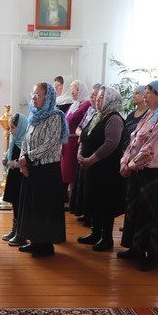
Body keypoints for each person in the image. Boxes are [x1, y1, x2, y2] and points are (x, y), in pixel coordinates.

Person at [118, 81, 158, 271]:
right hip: (136, 169)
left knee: (150, 213)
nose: (145, 95)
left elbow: (152, 147)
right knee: (134, 209)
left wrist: (131, 165)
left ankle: (152, 256)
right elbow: (134, 140)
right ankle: (136, 248)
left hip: (151, 171)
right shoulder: (149, 114)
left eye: (150, 92)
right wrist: (124, 161)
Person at [17, 82, 68, 257]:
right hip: (32, 168)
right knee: (33, 207)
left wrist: (27, 158)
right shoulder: (33, 116)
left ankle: (45, 245)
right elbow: (25, 140)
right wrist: (23, 161)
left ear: (48, 98)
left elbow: (50, 144)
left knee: (44, 208)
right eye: (33, 94)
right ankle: (35, 241)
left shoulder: (55, 117)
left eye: (38, 95)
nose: (34, 98)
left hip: (47, 171)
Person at [76, 86, 126, 252]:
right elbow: (84, 136)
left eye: (102, 97)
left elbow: (110, 144)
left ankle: (106, 238)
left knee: (105, 202)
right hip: (91, 168)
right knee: (93, 199)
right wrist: (79, 153)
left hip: (106, 169)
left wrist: (91, 159)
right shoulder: (97, 116)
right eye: (97, 96)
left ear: (110, 99)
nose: (98, 99)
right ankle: (95, 233)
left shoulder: (114, 118)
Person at [70, 83, 102, 219]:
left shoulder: (103, 114)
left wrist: (84, 135)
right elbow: (80, 127)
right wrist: (83, 135)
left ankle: (91, 216)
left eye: (95, 95)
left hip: (94, 152)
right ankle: (83, 211)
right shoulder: (90, 110)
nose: (92, 97)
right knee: (82, 182)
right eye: (92, 94)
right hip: (84, 146)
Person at [61, 80, 92, 207]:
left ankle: (74, 201)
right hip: (67, 141)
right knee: (67, 172)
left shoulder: (87, 104)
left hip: (75, 142)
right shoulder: (74, 105)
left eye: (74, 90)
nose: (72, 92)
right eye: (71, 90)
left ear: (81, 90)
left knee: (72, 171)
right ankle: (69, 199)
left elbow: (86, 123)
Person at [1, 112, 28, 245]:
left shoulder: (25, 142)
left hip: (21, 177)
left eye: (12, 127)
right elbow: (10, 155)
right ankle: (15, 229)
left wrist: (15, 163)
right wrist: (6, 160)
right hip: (14, 176)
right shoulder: (14, 140)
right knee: (15, 203)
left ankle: (21, 232)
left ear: (21, 126)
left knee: (20, 203)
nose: (10, 131)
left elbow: (26, 159)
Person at [122, 85, 149, 152]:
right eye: (133, 94)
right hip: (125, 152)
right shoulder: (131, 115)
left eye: (137, 93)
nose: (133, 96)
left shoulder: (149, 115)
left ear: (145, 95)